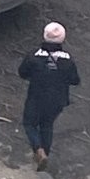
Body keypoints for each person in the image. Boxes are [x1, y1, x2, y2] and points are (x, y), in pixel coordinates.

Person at [18, 21, 80, 170]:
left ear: (44, 36)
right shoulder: (67, 60)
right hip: (57, 100)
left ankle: (38, 150)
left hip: (36, 97)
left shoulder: (34, 56)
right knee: (47, 125)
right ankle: (45, 154)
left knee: (29, 123)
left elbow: (22, 72)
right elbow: (75, 80)